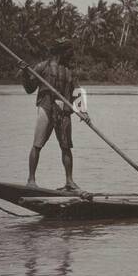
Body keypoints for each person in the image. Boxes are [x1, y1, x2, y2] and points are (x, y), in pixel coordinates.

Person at [22, 39, 84, 190]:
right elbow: (29, 89)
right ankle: (31, 180)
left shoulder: (69, 71)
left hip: (64, 112)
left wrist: (83, 111)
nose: (71, 55)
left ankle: (69, 181)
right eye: (69, 52)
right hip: (46, 108)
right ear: (61, 52)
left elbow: (77, 92)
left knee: (66, 147)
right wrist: (24, 73)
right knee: (37, 144)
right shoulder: (42, 67)